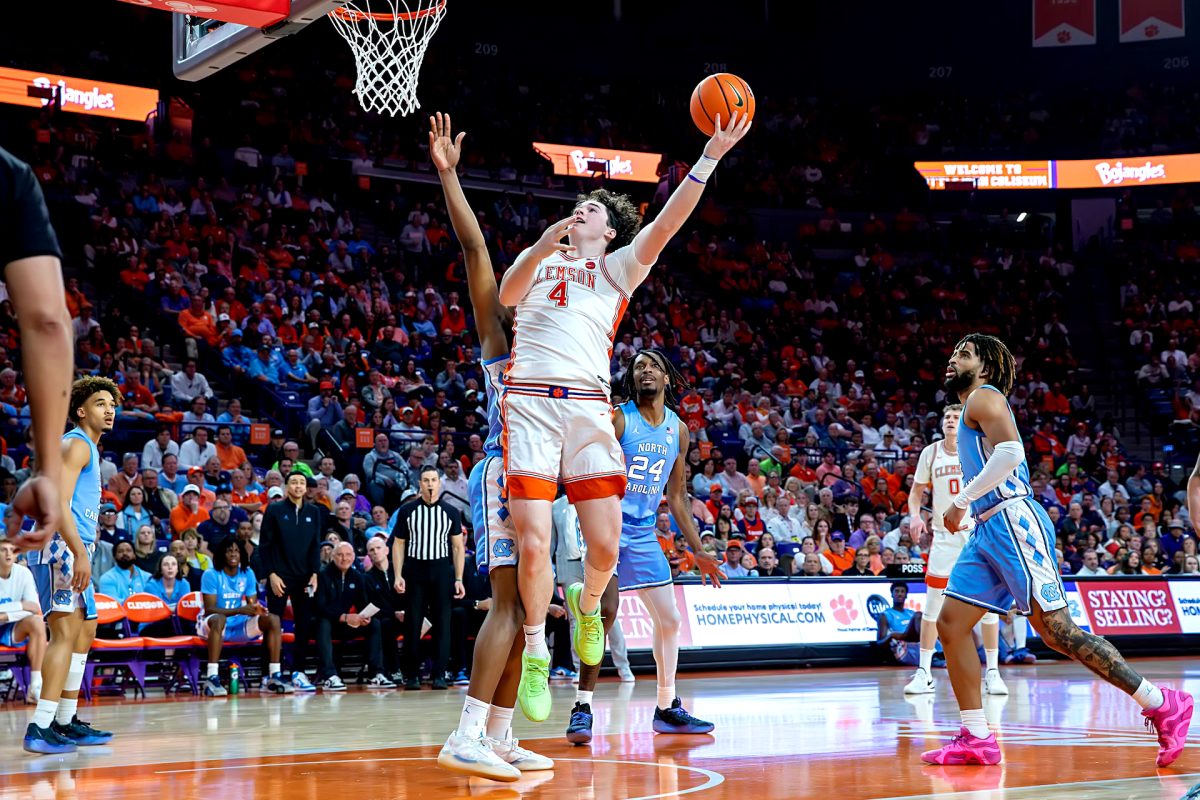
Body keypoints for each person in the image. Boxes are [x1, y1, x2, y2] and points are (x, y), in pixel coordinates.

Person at [497, 110, 751, 722]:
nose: (580, 210)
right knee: (532, 546)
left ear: (610, 232)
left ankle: (588, 608)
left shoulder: (616, 270)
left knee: (604, 551)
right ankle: (536, 650)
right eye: (578, 205)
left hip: (587, 409)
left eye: (592, 209)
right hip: (530, 402)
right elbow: (506, 295)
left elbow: (666, 224)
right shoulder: (540, 262)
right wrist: (540, 245)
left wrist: (710, 156)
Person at [925, 334, 1192, 767]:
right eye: (953, 351)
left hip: (1013, 521)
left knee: (1057, 631)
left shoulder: (983, 397)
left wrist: (959, 501)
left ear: (987, 367)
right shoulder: (972, 406)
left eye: (965, 354)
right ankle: (976, 737)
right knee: (952, 624)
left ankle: (1162, 702)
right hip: (988, 528)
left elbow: (1011, 453)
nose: (954, 358)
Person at [426, 115, 554, 782]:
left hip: (544, 485)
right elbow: (477, 254)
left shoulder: (565, 349)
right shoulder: (503, 339)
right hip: (504, 474)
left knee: (534, 611)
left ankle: (499, 738)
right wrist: (449, 174)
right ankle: (466, 732)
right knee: (508, 604)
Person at [566, 350, 722, 745]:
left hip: (644, 532)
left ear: (667, 377)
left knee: (669, 620)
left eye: (653, 365)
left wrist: (698, 549)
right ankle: (582, 707)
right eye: (638, 367)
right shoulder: (619, 419)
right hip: (608, 526)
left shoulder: (678, 430)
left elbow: (679, 496)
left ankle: (667, 706)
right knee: (606, 612)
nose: (646, 370)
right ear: (633, 380)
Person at [24, 377, 119, 753]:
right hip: (59, 544)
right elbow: (58, 504)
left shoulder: (89, 449)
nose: (109, 409)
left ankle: (64, 719)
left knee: (86, 629)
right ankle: (40, 726)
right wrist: (80, 552)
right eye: (100, 403)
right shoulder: (76, 445)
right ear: (82, 411)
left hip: (75, 545)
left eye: (112, 404)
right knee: (64, 634)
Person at [905, 404, 1007, 697]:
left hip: (976, 534)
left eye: (955, 417)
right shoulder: (931, 453)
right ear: (941, 424)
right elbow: (916, 493)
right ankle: (923, 671)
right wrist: (914, 515)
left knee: (986, 606)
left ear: (963, 423)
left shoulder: (977, 448)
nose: (950, 420)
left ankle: (993, 673)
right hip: (944, 537)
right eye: (946, 417)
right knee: (933, 604)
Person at [391, 466, 465, 692]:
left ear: (439, 483)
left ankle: (439, 674)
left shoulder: (451, 512)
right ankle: (411, 675)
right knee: (413, 623)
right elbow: (398, 544)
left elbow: (458, 547)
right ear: (419, 484)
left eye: (433, 480)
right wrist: (398, 575)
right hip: (415, 570)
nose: (430, 484)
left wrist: (459, 578)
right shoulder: (407, 511)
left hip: (442, 570)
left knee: (443, 624)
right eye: (426, 480)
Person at [198, 536, 290, 696]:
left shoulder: (247, 573)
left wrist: (257, 610)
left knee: (273, 619)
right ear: (222, 554)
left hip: (238, 625)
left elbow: (252, 605)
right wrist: (239, 610)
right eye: (229, 551)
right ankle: (212, 676)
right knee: (219, 619)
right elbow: (210, 609)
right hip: (211, 625)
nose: (233, 554)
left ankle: (274, 676)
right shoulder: (211, 574)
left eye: (237, 551)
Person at [258, 472, 323, 692]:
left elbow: (316, 545)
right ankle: (269, 674)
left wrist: (315, 572)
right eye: (294, 482)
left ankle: (298, 672)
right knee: (273, 625)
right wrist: (271, 574)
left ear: (306, 488)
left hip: (304, 577)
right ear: (287, 487)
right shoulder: (275, 510)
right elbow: (264, 545)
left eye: (302, 483)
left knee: (303, 626)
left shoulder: (314, 512)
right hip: (279, 577)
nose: (298, 486)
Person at [316, 541, 395, 690]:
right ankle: (329, 675)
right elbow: (320, 607)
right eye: (339, 555)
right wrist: (344, 617)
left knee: (374, 624)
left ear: (353, 557)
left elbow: (362, 604)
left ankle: (376, 673)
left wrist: (364, 617)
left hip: (347, 625)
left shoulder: (357, 577)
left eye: (348, 555)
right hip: (328, 624)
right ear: (333, 556)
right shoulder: (323, 575)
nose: (344, 558)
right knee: (323, 622)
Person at [0, 536, 46, 704]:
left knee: (37, 622)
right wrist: (21, 606)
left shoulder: (24, 573)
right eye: (3, 550)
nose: (8, 554)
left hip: (10, 626)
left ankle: (35, 685)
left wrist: (5, 615)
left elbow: (35, 608)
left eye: (12, 550)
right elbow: (28, 607)